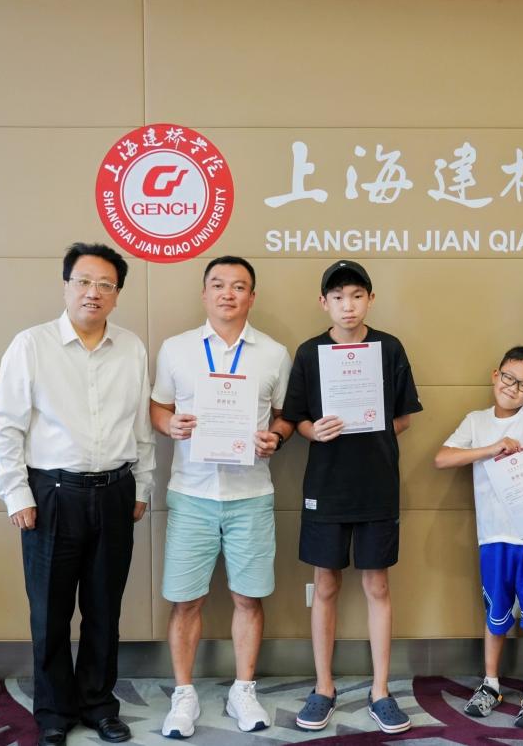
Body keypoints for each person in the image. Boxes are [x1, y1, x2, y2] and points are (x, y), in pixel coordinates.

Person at [0, 242, 154, 746]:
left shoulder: (131, 348)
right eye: (83, 281)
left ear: (117, 294)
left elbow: (141, 425)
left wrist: (143, 483)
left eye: (105, 284)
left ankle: (99, 705)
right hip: (51, 494)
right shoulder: (31, 345)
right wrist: (17, 493)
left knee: (105, 610)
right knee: (50, 611)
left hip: (115, 490)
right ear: (66, 287)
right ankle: (54, 712)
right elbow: (6, 425)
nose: (93, 292)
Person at [150, 255, 293, 738]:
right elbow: (158, 406)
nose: (227, 293)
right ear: (204, 293)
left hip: (251, 494)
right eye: (218, 285)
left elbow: (285, 415)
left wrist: (276, 437)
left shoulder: (273, 353)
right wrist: (169, 424)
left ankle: (243, 690)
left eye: (238, 286)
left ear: (252, 296)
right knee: (185, 601)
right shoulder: (176, 349)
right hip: (191, 493)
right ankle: (184, 694)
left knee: (248, 598)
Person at [283, 259, 423, 734]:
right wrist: (315, 430)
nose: (348, 305)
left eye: (357, 296)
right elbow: (297, 419)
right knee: (325, 585)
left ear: (370, 300)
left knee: (377, 586)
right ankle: (323, 687)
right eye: (339, 297)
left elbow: (404, 417)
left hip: (376, 485)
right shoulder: (309, 352)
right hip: (326, 487)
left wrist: (371, 425)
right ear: (324, 302)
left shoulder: (389, 348)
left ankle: (380, 690)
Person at [434, 345, 523, 730]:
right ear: (496, 375)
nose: (513, 388)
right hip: (493, 536)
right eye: (508, 378)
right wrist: (492, 448)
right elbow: (442, 458)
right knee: (496, 614)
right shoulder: (476, 421)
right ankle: (490, 683)